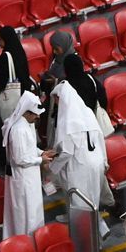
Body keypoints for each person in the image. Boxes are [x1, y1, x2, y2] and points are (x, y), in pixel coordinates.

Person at [46, 63, 105, 206]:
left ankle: (86, 228)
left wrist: (52, 168)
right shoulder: (87, 112)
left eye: (57, 99)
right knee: (92, 199)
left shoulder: (68, 119)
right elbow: (99, 137)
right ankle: (97, 226)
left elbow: (67, 152)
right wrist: (104, 160)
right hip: (96, 161)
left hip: (80, 165)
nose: (56, 103)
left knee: (80, 202)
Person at [1, 91, 55, 240]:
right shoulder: (18, 129)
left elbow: (30, 147)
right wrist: (40, 160)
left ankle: (35, 241)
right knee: (25, 214)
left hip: (30, 176)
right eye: (35, 114)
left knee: (33, 211)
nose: (38, 117)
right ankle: (24, 243)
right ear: (27, 112)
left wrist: (42, 152)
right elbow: (20, 158)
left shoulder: (28, 124)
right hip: (22, 179)